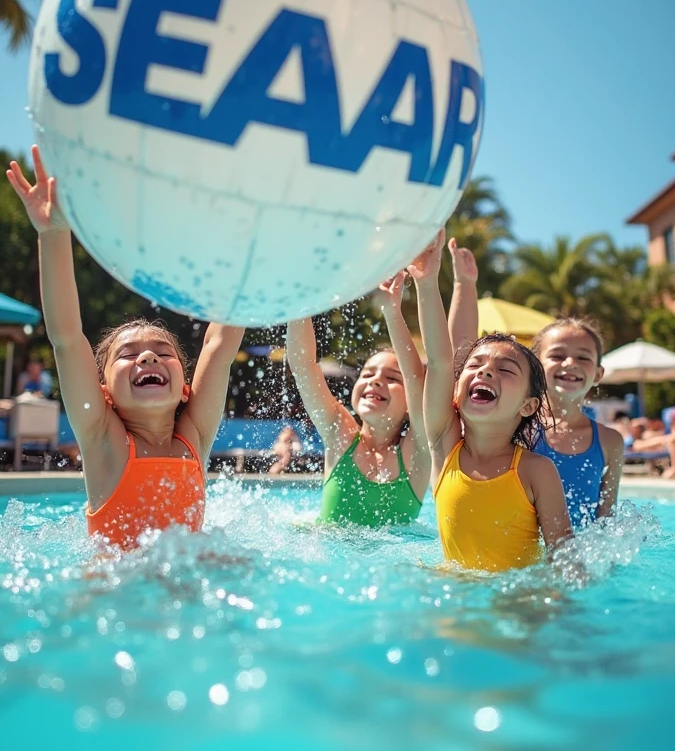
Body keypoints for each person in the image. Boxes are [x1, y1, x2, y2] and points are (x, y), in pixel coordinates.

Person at [7, 146, 244, 550]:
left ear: (186, 387)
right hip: (115, 595)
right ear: (103, 393)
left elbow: (219, 346)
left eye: (161, 351)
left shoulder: (195, 437)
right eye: (128, 355)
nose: (148, 357)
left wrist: (248, 249)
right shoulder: (102, 439)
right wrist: (53, 233)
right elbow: (65, 339)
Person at [412, 230, 572, 572]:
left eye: (505, 369)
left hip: (514, 603)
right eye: (476, 366)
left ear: (528, 406)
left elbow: (564, 557)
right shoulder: (444, 446)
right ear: (457, 391)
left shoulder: (536, 471)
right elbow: (442, 361)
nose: (485, 372)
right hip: (452, 597)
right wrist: (427, 282)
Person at [286, 271, 429, 527]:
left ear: (411, 401)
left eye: (393, 378)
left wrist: (391, 311)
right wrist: (300, 302)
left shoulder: (417, 451)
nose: (375, 381)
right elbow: (304, 366)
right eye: (368, 373)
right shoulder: (340, 434)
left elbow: (417, 379)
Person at [529, 319, 625, 527]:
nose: (570, 363)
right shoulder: (519, 429)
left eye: (583, 357)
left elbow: (606, 521)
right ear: (535, 366)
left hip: (577, 555)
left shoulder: (610, 441)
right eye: (557, 355)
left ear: (598, 374)